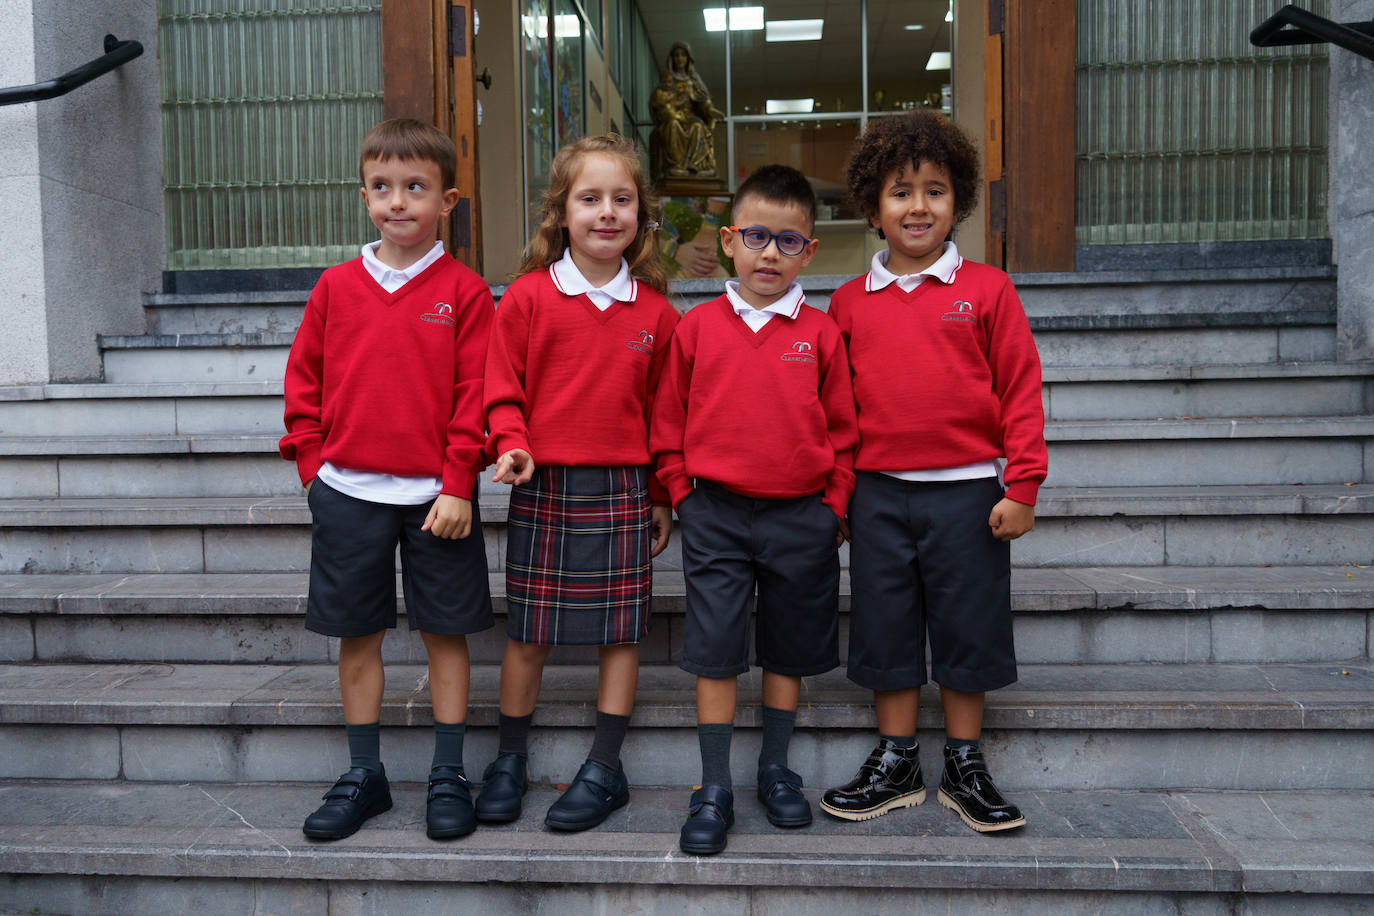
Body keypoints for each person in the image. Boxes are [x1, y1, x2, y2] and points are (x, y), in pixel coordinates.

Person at [821, 110, 1047, 834]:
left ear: (959, 203)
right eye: (900, 192)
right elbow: (836, 411)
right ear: (872, 207)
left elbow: (1020, 387)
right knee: (885, 628)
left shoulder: (987, 290)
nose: (918, 206)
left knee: (967, 626)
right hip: (879, 497)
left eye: (935, 191)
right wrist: (839, 496)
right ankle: (895, 760)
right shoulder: (849, 303)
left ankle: (964, 761)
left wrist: (1023, 484)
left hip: (970, 497)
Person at [279, 118, 495, 842]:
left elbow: (476, 393)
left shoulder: (464, 293)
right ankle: (365, 773)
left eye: (415, 187)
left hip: (438, 499)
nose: (397, 201)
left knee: (445, 635)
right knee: (358, 636)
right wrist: (314, 469)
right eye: (381, 186)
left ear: (448, 199)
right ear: (364, 193)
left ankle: (447, 771)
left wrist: (460, 481)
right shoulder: (337, 287)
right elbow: (302, 381)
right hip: (347, 491)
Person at [651, 164, 857, 855]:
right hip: (715, 513)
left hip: (801, 517)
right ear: (730, 240)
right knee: (714, 652)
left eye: (789, 240)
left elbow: (843, 431)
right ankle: (713, 785)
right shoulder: (697, 328)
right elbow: (668, 420)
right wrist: (680, 493)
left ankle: (775, 769)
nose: (772, 253)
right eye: (759, 237)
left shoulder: (822, 334)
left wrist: (833, 507)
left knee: (789, 648)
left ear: (810, 251)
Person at [477, 134, 679, 833]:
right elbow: (501, 388)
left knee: (620, 636)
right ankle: (508, 759)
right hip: (546, 487)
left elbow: (666, 412)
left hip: (623, 488)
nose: (606, 212)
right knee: (529, 633)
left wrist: (660, 492)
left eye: (622, 199)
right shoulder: (529, 298)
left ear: (641, 215)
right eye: (589, 199)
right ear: (560, 214)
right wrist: (512, 442)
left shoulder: (657, 314)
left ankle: (605, 767)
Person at [649, 41, 724, 179]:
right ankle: (676, 166)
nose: (680, 59)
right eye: (676, 55)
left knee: (698, 126)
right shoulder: (667, 79)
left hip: (689, 117)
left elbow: (702, 100)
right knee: (673, 126)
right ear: (672, 58)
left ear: (688, 58)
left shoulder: (694, 80)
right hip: (671, 117)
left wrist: (709, 109)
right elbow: (658, 101)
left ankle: (694, 166)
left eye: (683, 55)